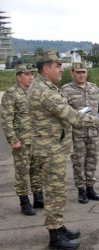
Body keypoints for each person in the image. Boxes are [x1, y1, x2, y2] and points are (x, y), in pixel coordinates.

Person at [27, 50, 99, 250]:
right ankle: (55, 236)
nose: (61, 69)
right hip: (50, 149)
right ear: (46, 68)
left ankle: (58, 227)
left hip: (53, 148)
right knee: (55, 192)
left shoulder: (46, 86)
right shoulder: (44, 91)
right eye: (57, 66)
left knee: (56, 191)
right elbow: (71, 115)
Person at [61, 62, 99, 204]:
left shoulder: (94, 88)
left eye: (84, 72)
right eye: (78, 72)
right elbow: (64, 112)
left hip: (93, 132)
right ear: (72, 73)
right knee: (78, 163)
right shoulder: (66, 90)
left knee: (92, 161)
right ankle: (81, 191)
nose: (81, 75)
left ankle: (90, 188)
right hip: (76, 133)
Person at [1, 63, 43, 216]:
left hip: (37, 140)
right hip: (22, 141)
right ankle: (24, 202)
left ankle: (38, 198)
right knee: (22, 173)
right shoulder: (11, 94)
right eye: (27, 74)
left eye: (32, 74)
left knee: (37, 170)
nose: (31, 77)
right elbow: (6, 120)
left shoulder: (36, 92)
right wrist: (13, 139)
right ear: (18, 77)